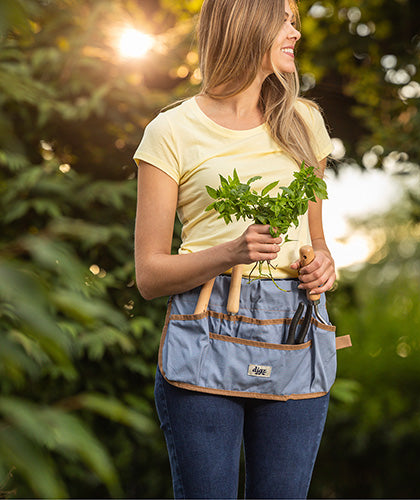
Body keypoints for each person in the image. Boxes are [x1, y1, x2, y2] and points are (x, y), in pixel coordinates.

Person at [133, 0, 338, 497]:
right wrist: (230, 252)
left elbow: (318, 244)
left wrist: (325, 266)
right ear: (249, 24)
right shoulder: (171, 132)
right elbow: (150, 275)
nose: (295, 32)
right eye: (284, 20)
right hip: (204, 330)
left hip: (293, 332)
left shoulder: (304, 123)